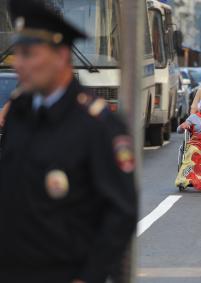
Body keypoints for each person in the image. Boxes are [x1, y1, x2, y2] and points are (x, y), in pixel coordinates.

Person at [0, 1, 137, 282]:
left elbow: (120, 213)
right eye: (18, 55)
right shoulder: (18, 112)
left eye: (29, 55)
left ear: (61, 56)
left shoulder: (97, 124)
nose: (20, 65)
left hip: (63, 272)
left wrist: (89, 276)